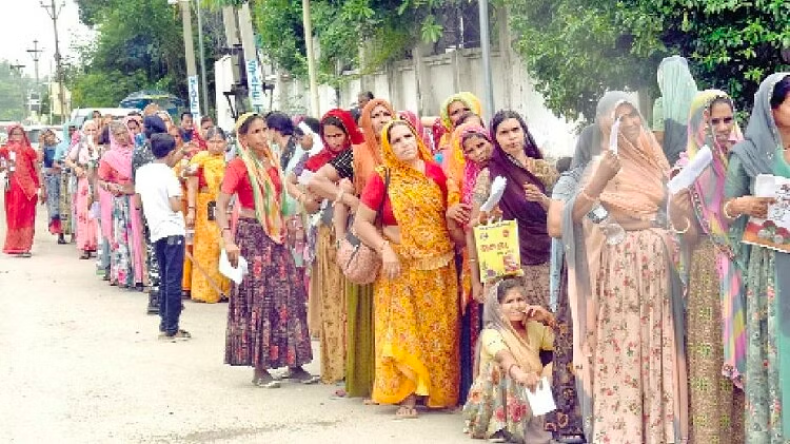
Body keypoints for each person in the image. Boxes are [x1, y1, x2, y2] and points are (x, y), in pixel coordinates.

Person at [565, 92, 689, 443]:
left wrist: (666, 217)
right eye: (621, 118)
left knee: (655, 341)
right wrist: (602, 188)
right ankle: (623, 431)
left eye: (633, 115)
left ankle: (658, 430)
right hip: (620, 268)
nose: (631, 123)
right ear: (606, 123)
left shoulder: (654, 160)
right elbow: (579, 214)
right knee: (624, 344)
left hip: (656, 263)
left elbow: (669, 210)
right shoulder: (602, 163)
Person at [354, 119, 465, 417]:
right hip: (399, 266)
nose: (404, 144)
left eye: (408, 137)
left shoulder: (436, 173)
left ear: (417, 139)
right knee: (405, 331)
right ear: (387, 146)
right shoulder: (384, 176)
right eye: (397, 140)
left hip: (439, 265)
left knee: (439, 332)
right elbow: (360, 223)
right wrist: (385, 249)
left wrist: (455, 215)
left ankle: (438, 395)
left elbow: (448, 216)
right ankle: (407, 397)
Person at [216, 113, 315, 388]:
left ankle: (295, 363)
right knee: (259, 299)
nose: (263, 136)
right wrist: (228, 239)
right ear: (243, 138)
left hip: (276, 235)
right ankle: (259, 368)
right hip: (251, 235)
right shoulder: (238, 166)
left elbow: (282, 196)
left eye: (264, 130)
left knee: (288, 295)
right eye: (256, 132)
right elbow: (221, 204)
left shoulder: (272, 162)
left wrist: (294, 219)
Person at [671, 90, 746, 443]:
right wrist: (679, 206)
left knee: (747, 348)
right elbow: (684, 235)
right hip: (706, 266)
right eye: (712, 121)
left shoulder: (746, 159)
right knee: (711, 350)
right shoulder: (686, 167)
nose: (721, 128)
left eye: (727, 120)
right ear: (698, 124)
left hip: (746, 266)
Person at [725, 73, 790, 443]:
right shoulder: (747, 154)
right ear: (771, 108)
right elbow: (726, 209)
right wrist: (743, 204)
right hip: (772, 268)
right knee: (779, 350)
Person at [299, 109, 365, 385]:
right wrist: (339, 198)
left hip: (360, 231)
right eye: (329, 136)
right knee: (334, 299)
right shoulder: (319, 162)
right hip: (330, 234)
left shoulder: (360, 154)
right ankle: (338, 364)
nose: (335, 141)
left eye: (340, 135)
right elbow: (299, 188)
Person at [470, 110, 558, 307]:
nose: (511, 137)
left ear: (524, 132)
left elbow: (563, 212)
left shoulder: (544, 169)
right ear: (495, 139)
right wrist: (487, 215)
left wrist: (542, 199)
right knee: (512, 325)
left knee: (548, 323)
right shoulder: (489, 175)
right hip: (505, 260)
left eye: (515, 130)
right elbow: (474, 224)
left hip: (545, 257)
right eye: (504, 132)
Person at [463, 277, 555, 443]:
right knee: (499, 369)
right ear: (498, 308)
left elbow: (564, 345)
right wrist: (522, 376)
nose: (516, 305)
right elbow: (504, 357)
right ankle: (503, 428)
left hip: (532, 388)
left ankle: (538, 427)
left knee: (560, 365)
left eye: (520, 299)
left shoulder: (534, 327)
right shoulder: (492, 332)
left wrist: (547, 317)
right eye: (509, 301)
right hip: (504, 393)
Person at [135, 133, 190, 341]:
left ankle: (165, 323)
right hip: (172, 228)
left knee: (165, 279)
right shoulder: (168, 174)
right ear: (171, 152)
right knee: (173, 280)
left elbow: (138, 202)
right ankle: (172, 327)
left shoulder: (142, 172)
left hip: (156, 229)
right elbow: (175, 205)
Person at [185, 127, 231, 303]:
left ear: (225, 143)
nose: (216, 145)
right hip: (205, 208)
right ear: (206, 142)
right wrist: (191, 210)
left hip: (224, 206)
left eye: (219, 141)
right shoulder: (199, 161)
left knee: (223, 246)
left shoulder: (229, 161)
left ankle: (225, 289)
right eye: (212, 141)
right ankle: (206, 290)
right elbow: (192, 187)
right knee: (206, 249)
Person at [99, 120, 144, 290]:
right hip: (122, 202)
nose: (123, 137)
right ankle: (127, 275)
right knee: (125, 236)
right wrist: (113, 187)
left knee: (139, 235)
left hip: (138, 198)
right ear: (113, 137)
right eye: (118, 134)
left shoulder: (138, 152)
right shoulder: (109, 156)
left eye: (124, 132)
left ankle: (141, 276)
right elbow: (102, 180)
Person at [0, 125, 42, 257]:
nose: (17, 137)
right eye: (14, 134)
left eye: (20, 134)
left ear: (24, 136)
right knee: (13, 215)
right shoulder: (5, 151)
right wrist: (6, 165)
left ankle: (25, 246)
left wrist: (41, 187)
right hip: (12, 188)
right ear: (10, 136)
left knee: (27, 216)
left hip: (28, 189)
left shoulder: (29, 151)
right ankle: (14, 245)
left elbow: (37, 170)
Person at [653, 55, 698, 165]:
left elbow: (658, 139)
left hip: (671, 164)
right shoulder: (698, 101)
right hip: (696, 161)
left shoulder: (661, 104)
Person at [65, 121, 100, 259]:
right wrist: (76, 168)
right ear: (83, 132)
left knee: (97, 212)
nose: (91, 133)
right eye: (88, 130)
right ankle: (86, 245)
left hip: (98, 181)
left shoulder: (102, 146)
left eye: (93, 130)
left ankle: (98, 245)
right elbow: (68, 160)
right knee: (84, 212)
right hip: (84, 182)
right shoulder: (80, 147)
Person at [40, 129, 65, 243]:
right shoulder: (43, 149)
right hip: (50, 180)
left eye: (50, 135)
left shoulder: (61, 146)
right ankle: (59, 232)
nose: (48, 137)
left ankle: (65, 231)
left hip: (62, 178)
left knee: (64, 205)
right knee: (54, 206)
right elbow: (40, 161)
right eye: (46, 136)